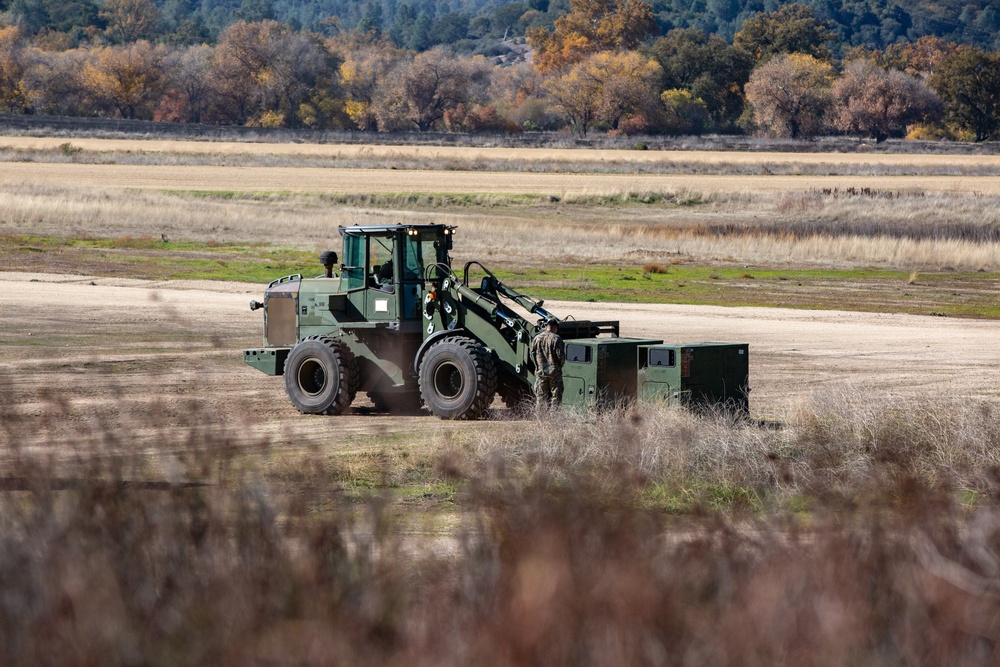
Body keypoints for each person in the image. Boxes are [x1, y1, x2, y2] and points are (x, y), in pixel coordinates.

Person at [529, 318, 565, 413]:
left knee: (540, 397)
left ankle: (540, 418)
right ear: (555, 328)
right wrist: (559, 366)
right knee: (556, 396)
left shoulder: (537, 338)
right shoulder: (556, 339)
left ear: (546, 327)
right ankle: (554, 418)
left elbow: (531, 354)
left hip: (541, 372)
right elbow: (561, 356)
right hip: (554, 372)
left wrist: (537, 366)